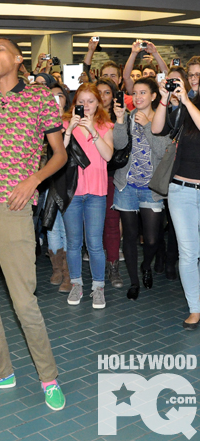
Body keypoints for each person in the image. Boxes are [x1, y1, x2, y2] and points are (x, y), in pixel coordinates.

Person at [0, 38, 67, 411]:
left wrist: (32, 180)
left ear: (18, 58)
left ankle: (48, 377)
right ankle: (1, 371)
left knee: (24, 302)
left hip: (13, 209)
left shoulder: (40, 100)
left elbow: (60, 154)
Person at [112, 77, 170, 301]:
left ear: (154, 96)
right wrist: (119, 121)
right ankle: (134, 281)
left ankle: (147, 265)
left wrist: (146, 125)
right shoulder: (127, 118)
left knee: (153, 239)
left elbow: (161, 153)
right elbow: (118, 146)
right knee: (129, 237)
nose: (138, 97)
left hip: (151, 188)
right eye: (135, 93)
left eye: (143, 93)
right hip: (126, 185)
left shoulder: (160, 119)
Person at [151, 77, 200, 329]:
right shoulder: (183, 106)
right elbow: (157, 128)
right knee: (189, 253)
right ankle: (195, 307)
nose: (193, 79)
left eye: (197, 75)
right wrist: (164, 99)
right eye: (190, 75)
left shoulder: (190, 105)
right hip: (181, 189)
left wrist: (187, 101)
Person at [62, 84, 114, 308]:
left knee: (94, 243)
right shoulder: (65, 123)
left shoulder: (105, 125)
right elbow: (58, 157)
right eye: (81, 101)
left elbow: (108, 155)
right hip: (72, 192)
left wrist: (93, 131)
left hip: (96, 192)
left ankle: (98, 287)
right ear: (75, 103)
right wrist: (68, 130)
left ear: (98, 103)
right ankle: (76, 284)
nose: (86, 105)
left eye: (90, 101)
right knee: (73, 243)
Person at [95, 78, 124, 289]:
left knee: (112, 223)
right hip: (88, 177)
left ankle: (113, 266)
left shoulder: (120, 118)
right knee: (93, 225)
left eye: (107, 92)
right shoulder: (85, 117)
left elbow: (123, 148)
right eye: (99, 93)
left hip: (112, 176)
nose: (103, 97)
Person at [46, 82, 73, 293]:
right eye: (51, 96)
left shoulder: (73, 121)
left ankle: (68, 271)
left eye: (60, 96)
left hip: (68, 180)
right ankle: (57, 268)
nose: (56, 99)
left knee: (66, 227)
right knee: (51, 225)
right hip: (46, 179)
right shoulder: (40, 122)